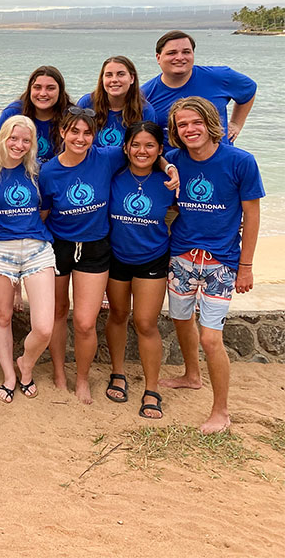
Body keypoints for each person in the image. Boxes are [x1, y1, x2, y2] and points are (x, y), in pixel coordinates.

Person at [40, 108, 177, 404]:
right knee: (58, 313)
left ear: (95, 136)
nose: (80, 138)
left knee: (86, 322)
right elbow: (41, 216)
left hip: (95, 247)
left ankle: (83, 379)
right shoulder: (49, 171)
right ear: (62, 133)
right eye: (73, 131)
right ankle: (59, 372)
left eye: (87, 132)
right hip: (59, 246)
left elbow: (145, 150)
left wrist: (169, 168)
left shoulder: (107, 157)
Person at [160, 97, 263, 434]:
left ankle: (221, 411)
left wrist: (245, 266)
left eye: (195, 122)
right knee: (179, 318)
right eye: (182, 125)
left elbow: (252, 214)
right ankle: (192, 375)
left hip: (222, 262)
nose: (189, 130)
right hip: (182, 257)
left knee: (210, 339)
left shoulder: (240, 161)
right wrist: (166, 168)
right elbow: (157, 159)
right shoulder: (175, 159)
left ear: (210, 122)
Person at [0, 116, 55, 406]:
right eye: (13, 138)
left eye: (26, 140)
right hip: (0, 252)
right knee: (3, 316)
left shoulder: (38, 172)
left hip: (37, 249)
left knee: (44, 327)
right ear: (2, 138)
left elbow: (45, 210)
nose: (19, 145)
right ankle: (10, 375)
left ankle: (26, 363)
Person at [105, 121, 175, 419]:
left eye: (149, 145)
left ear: (160, 150)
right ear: (125, 148)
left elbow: (185, 215)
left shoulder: (169, 182)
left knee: (146, 322)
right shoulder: (114, 176)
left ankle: (152, 388)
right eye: (135, 144)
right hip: (116, 257)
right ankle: (118, 372)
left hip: (153, 258)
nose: (141, 151)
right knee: (118, 314)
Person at [142, 30, 256, 144]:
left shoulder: (220, 77)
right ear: (158, 57)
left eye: (186, 52)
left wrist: (236, 124)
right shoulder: (144, 95)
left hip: (221, 159)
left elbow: (249, 90)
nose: (180, 57)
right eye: (172, 53)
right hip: (172, 160)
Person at [78, 56, 157, 148]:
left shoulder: (145, 110)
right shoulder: (87, 103)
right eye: (109, 75)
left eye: (121, 74)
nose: (114, 80)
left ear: (132, 78)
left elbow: (148, 147)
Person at [0, 66, 71, 164]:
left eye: (50, 88)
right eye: (37, 87)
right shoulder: (12, 114)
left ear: (60, 91)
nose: (43, 93)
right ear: (30, 89)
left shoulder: (70, 117)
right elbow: (0, 150)